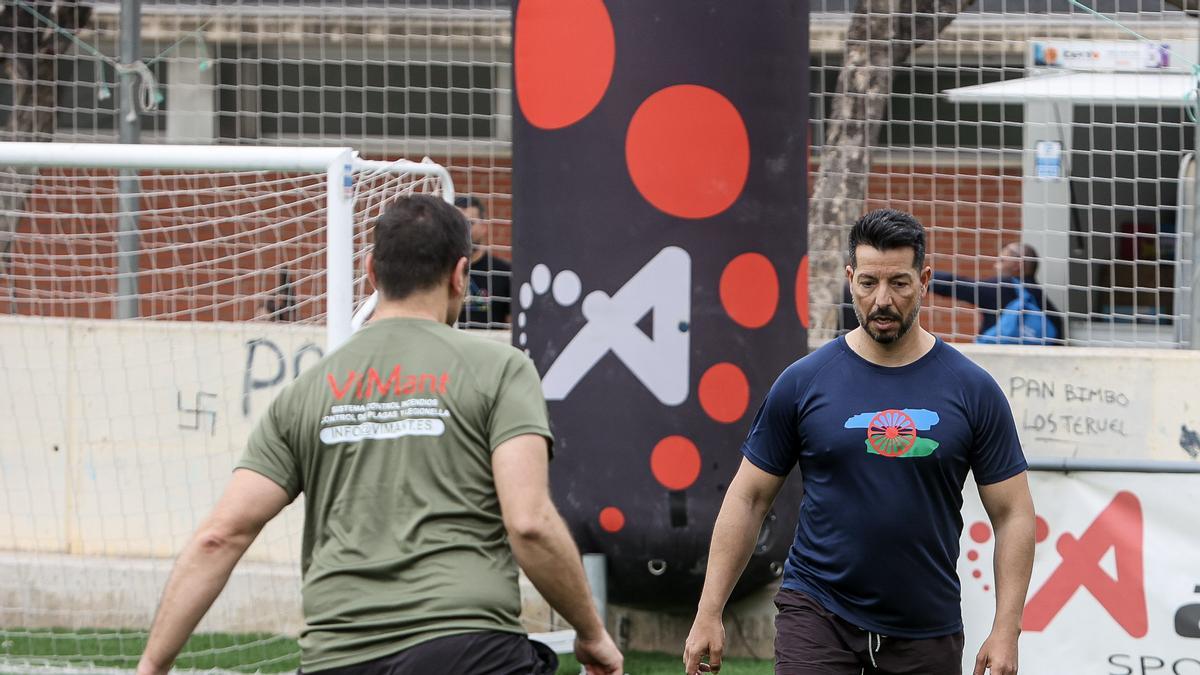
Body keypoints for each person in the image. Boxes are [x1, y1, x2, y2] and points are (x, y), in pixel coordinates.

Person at [136, 195, 622, 675]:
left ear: (371, 271)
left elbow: (220, 537)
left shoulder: (306, 391)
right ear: (459, 274)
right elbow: (530, 522)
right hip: (467, 648)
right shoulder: (501, 370)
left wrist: (152, 666)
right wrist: (591, 633)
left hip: (338, 658)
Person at [684, 209, 1035, 675]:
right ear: (850, 278)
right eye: (868, 283)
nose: (882, 300)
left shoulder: (972, 389)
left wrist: (1006, 629)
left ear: (924, 279)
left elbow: (1013, 514)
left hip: (926, 626)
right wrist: (709, 610)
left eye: (899, 284)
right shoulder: (804, 382)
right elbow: (748, 497)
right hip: (818, 612)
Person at [841, 242, 1064, 343]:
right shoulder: (1041, 298)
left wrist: (913, 277)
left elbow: (960, 286)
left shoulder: (1004, 288)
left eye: (1005, 256)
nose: (998, 259)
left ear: (1018, 265)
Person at [456, 195, 512, 328]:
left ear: (484, 227)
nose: (464, 230)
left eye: (470, 223)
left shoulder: (504, 272)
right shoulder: (440, 270)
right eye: (458, 223)